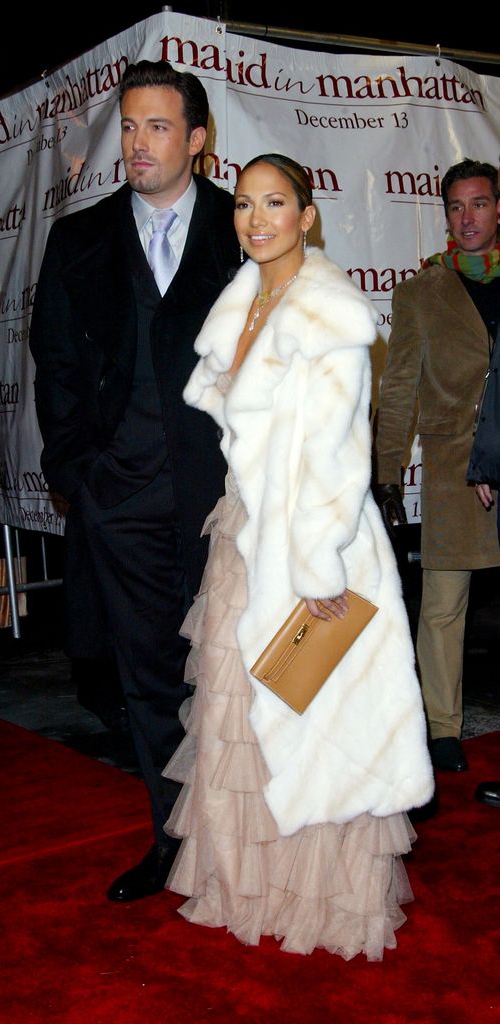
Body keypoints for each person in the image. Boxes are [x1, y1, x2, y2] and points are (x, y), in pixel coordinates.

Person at [162, 154, 434, 960]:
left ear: (306, 215)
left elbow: (338, 456)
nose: (256, 219)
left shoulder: (329, 315)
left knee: (312, 718)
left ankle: (319, 898)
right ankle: (254, 887)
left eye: (274, 203)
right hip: (244, 534)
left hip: (315, 542)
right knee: (243, 716)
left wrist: (317, 566)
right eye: (244, 204)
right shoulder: (241, 303)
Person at [29, 60, 239, 900]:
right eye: (128, 126)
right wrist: (80, 475)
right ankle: (173, 842)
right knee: (148, 678)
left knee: (231, 676)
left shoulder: (245, 227)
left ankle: (250, 839)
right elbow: (56, 370)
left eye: (157, 127)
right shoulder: (77, 239)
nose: (137, 143)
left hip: (229, 500)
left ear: (195, 140)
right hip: (121, 503)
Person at [374, 158, 500, 773]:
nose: (467, 217)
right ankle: (444, 727)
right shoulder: (421, 291)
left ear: (498, 208)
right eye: (455, 206)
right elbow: (399, 388)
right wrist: (387, 472)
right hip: (455, 466)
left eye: (478, 203)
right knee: (444, 602)